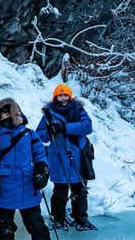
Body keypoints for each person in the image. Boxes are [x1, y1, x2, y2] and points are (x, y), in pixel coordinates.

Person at [0, 98, 57, 240]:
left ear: (16, 112)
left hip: (28, 186)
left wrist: (42, 170)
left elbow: (40, 155)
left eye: (8, 111)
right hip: (5, 188)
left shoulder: (30, 134)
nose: (5, 115)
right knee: (6, 225)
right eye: (0, 113)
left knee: (36, 224)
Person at [36, 84, 94, 231]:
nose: (63, 98)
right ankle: (58, 219)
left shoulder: (79, 110)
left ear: (70, 96)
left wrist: (65, 128)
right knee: (60, 191)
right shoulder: (49, 114)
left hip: (77, 156)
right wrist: (49, 132)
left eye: (65, 95)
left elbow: (87, 126)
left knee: (79, 190)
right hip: (58, 156)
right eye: (60, 96)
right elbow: (39, 135)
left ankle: (80, 218)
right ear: (55, 97)